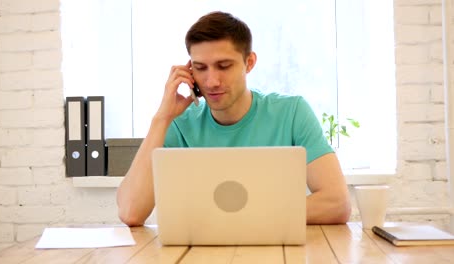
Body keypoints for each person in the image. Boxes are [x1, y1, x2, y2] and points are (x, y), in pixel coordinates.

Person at [117, 11, 351, 226]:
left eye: (223, 66)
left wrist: (242, 215)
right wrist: (162, 118)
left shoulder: (292, 113)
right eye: (200, 68)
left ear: (249, 63)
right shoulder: (178, 124)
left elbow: (337, 203)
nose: (211, 81)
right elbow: (131, 212)